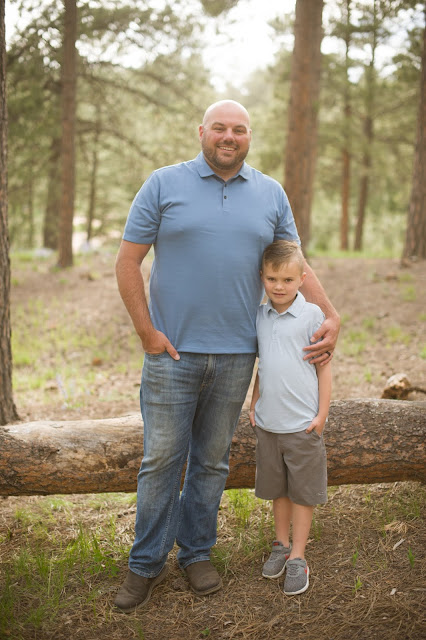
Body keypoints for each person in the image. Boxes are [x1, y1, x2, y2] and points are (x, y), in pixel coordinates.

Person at [114, 100, 339, 613]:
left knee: (211, 462)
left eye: (239, 129)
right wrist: (147, 332)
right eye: (219, 127)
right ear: (202, 132)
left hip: (239, 354)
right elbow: (127, 260)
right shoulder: (163, 184)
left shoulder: (270, 193)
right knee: (161, 461)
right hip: (172, 354)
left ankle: (196, 553)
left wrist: (331, 313)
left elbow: (296, 264)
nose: (229, 136)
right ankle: (145, 564)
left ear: (249, 137)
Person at [249, 240, 332, 596]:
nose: (279, 286)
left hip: (302, 425)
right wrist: (254, 400)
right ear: (262, 277)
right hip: (269, 424)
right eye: (272, 279)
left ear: (301, 279)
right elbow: (264, 364)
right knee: (278, 490)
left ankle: (298, 555)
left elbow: (324, 368)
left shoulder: (312, 316)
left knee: (302, 492)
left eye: (287, 279)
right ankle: (281, 545)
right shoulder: (260, 316)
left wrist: (322, 414)